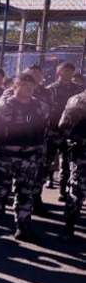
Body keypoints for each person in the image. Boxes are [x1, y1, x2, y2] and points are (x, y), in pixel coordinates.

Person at [0, 74, 50, 244]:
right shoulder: (1, 107)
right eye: (24, 84)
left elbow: (42, 134)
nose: (28, 88)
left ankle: (23, 227)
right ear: (15, 87)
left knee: (25, 194)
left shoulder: (40, 108)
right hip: (5, 158)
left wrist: (41, 156)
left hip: (29, 159)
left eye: (31, 84)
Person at [39, 62, 81, 210]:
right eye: (65, 70)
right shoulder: (51, 89)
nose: (68, 73)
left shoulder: (78, 89)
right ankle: (36, 195)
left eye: (70, 71)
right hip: (53, 131)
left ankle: (64, 192)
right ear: (58, 72)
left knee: (68, 164)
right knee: (45, 162)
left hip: (71, 132)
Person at [59, 88, 86, 241]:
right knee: (78, 190)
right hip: (83, 153)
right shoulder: (79, 100)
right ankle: (69, 227)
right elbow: (65, 125)